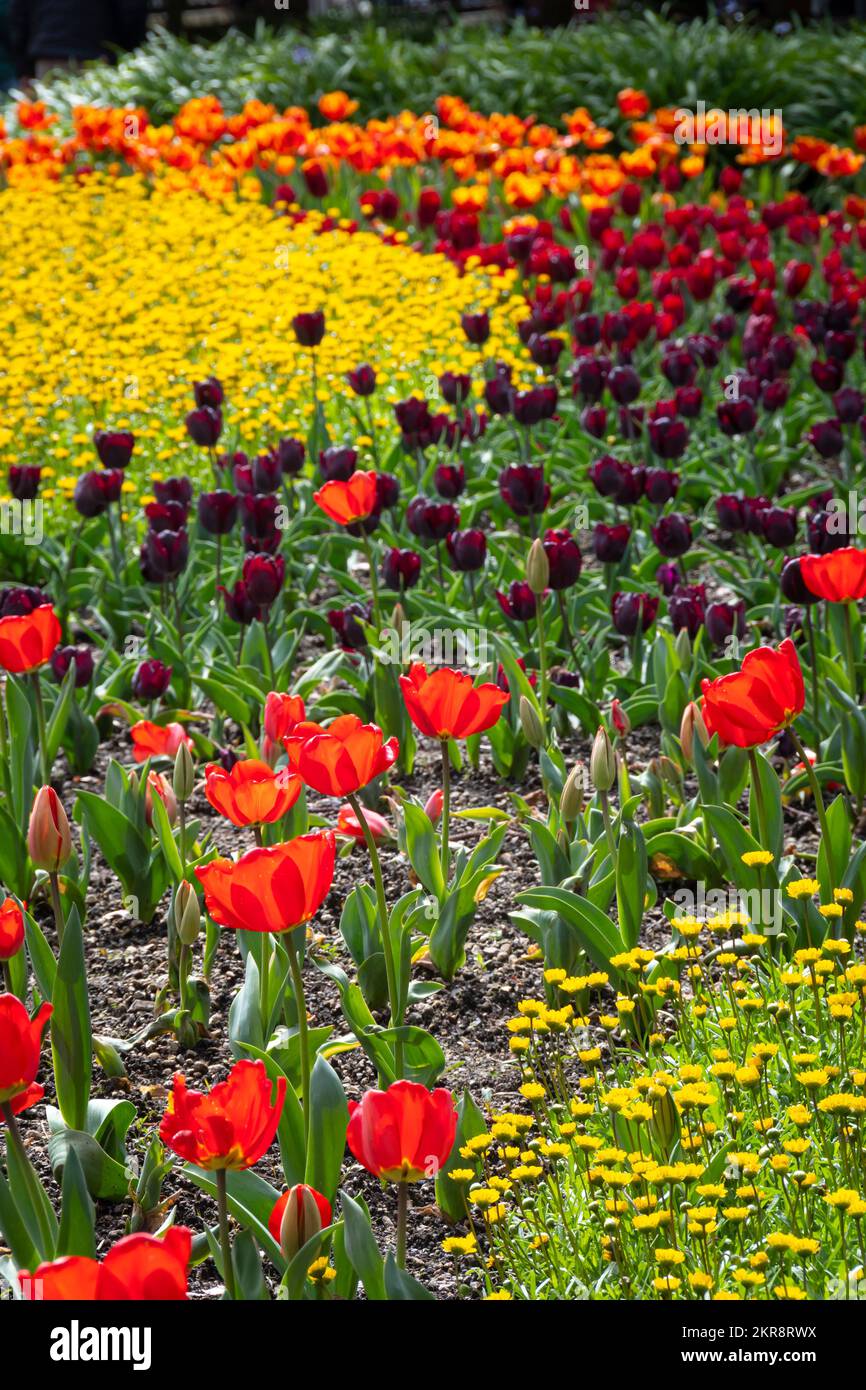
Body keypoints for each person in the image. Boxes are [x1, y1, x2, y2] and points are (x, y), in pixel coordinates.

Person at [9, 0, 149, 82]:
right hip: (97, 58)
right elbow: (132, 10)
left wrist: (24, 69)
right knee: (99, 125)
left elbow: (18, 16)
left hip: (47, 57)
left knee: (52, 127)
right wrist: (127, 55)